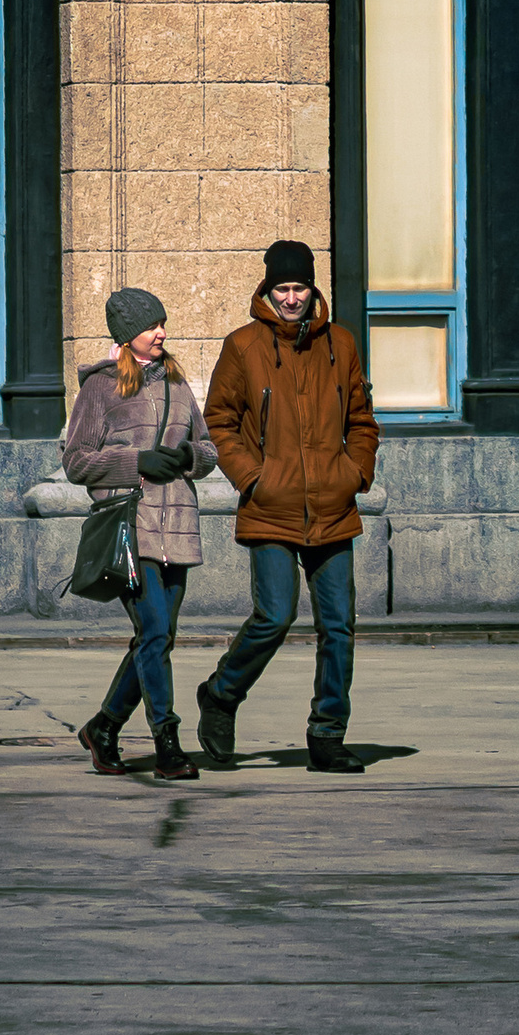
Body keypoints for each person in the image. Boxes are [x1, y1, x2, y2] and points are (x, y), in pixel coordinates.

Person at [196, 239, 378, 774]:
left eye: (300, 287)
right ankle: (222, 695)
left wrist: (354, 473)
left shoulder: (340, 345)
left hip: (333, 504)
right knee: (274, 616)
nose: (292, 297)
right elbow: (220, 421)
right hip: (270, 505)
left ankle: (327, 735)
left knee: (338, 625)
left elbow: (362, 420)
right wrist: (254, 478)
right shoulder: (243, 347)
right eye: (283, 288)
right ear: (268, 290)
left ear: (312, 288)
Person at [64, 289, 218, 785]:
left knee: (158, 637)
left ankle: (104, 727)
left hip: (178, 524)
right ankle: (167, 743)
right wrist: (136, 463)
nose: (162, 333)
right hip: (131, 529)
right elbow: (76, 462)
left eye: (163, 324)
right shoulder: (100, 389)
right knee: (154, 633)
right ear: (128, 333)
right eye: (153, 326)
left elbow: (209, 446)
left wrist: (189, 459)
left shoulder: (176, 381)